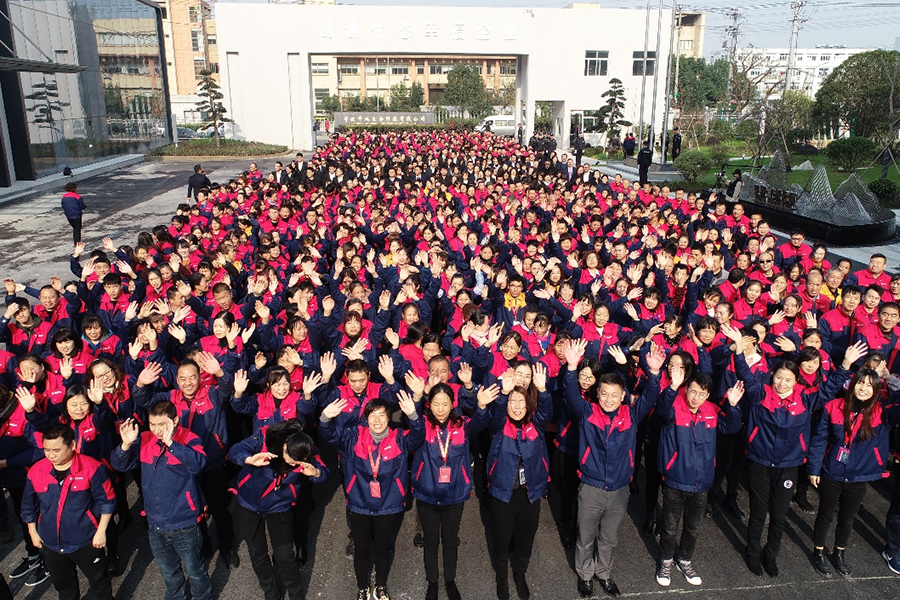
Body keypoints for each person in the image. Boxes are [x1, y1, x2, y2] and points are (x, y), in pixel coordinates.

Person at [730, 324, 868, 578]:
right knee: (758, 514)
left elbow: (828, 388)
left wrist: (846, 364)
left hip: (789, 465)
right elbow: (745, 374)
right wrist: (739, 349)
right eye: (778, 378)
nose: (782, 383)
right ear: (772, 378)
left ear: (796, 382)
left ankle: (771, 555)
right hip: (760, 463)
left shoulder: (806, 398)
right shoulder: (760, 393)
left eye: (788, 380)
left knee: (780, 516)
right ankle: (752, 553)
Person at [563, 340, 659, 598]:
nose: (608, 399)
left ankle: (604, 573)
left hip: (619, 489)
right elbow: (570, 393)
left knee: (609, 538)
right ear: (597, 393)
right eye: (603, 394)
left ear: (622, 396)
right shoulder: (586, 412)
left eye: (614, 395)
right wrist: (571, 367)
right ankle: (585, 575)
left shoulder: (631, 414)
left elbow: (651, 395)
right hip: (591, 486)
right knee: (585, 536)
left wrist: (654, 372)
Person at [320, 393, 424, 600]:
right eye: (372, 416)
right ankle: (362, 587)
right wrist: (325, 418)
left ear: (388, 418)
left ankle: (381, 586)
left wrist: (413, 415)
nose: (377, 420)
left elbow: (417, 436)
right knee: (361, 549)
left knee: (383, 548)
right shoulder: (353, 437)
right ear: (365, 419)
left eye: (382, 415)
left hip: (389, 504)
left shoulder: (400, 438)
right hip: (359, 503)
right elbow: (330, 435)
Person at [111, 402, 212, 600]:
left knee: (195, 570)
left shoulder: (190, 440)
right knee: (168, 571)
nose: (157, 430)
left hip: (184, 522)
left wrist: (172, 445)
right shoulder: (145, 440)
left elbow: (198, 463)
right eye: (152, 424)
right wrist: (125, 445)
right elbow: (119, 464)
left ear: (175, 421)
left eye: (162, 424)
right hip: (155, 523)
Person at [808, 368, 900, 577]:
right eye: (860, 382)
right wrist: (814, 468)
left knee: (847, 518)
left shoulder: (881, 411)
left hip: (861, 474)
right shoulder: (833, 406)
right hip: (832, 470)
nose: (864, 388)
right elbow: (819, 440)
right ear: (852, 384)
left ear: (876, 389)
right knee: (825, 515)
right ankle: (818, 551)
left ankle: (839, 553)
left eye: (869, 385)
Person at [654, 373, 743, 588]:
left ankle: (684, 560)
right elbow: (661, 411)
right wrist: (673, 387)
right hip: (676, 479)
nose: (695, 397)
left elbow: (732, 427)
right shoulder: (674, 407)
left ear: (708, 394)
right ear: (686, 389)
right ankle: (665, 561)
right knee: (669, 527)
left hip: (702, 482)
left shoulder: (711, 411)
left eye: (701, 394)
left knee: (693, 527)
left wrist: (732, 406)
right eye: (692, 391)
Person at [412, 382, 495, 600]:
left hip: (454, 494)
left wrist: (483, 406)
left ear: (452, 405)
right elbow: (411, 423)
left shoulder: (462, 425)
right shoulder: (423, 425)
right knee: (430, 541)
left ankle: (450, 579)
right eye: (436, 404)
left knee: (450, 541)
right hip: (427, 495)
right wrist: (415, 400)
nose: (440, 409)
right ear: (429, 405)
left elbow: (480, 422)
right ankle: (432, 582)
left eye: (445, 404)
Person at [229, 420, 328, 600]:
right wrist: (249, 459)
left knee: (285, 556)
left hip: (279, 506)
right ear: (283, 446)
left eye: (298, 463)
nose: (294, 465)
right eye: (292, 460)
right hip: (249, 504)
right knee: (257, 554)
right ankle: (271, 594)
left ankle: (297, 595)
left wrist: (316, 473)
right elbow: (235, 450)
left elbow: (323, 471)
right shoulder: (264, 437)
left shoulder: (305, 447)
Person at [21, 423, 116, 600]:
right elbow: (28, 505)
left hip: (87, 540)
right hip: (51, 543)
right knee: (64, 587)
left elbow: (107, 501)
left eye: (56, 450)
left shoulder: (92, 468)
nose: (51, 455)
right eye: (47, 450)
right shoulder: (36, 471)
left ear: (72, 445)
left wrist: (101, 531)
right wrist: (33, 532)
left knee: (100, 583)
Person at [485, 363, 552, 600]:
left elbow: (546, 413)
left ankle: (520, 575)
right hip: (503, 491)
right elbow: (495, 412)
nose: (516, 407)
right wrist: (504, 393)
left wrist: (543, 391)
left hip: (530, 492)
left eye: (521, 402)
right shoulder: (498, 425)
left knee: (525, 538)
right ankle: (501, 578)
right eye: (512, 402)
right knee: (502, 539)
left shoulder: (535, 425)